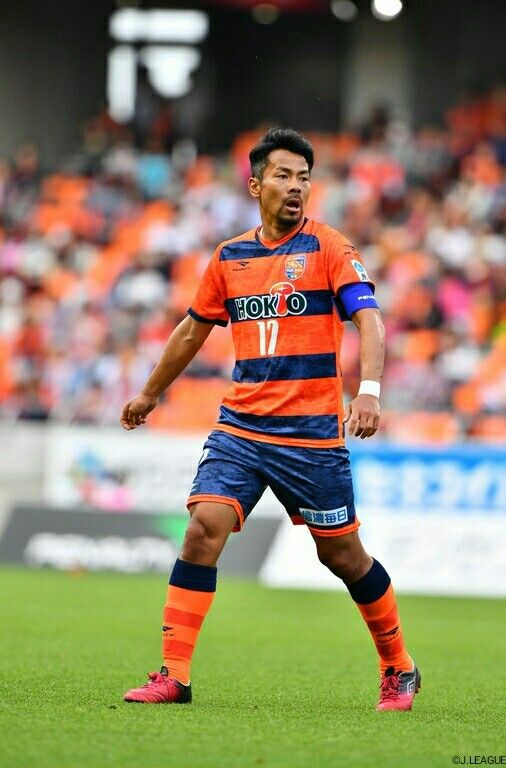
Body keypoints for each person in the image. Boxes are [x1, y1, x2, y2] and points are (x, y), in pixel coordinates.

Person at [120, 128, 420, 711]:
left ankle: (398, 665)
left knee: (342, 556)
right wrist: (151, 393)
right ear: (256, 186)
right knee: (203, 528)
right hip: (241, 428)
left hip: (311, 437)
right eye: (284, 175)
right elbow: (192, 330)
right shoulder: (229, 257)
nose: (296, 186)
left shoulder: (330, 247)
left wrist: (369, 391)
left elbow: (370, 319)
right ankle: (173, 675)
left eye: (304, 177)